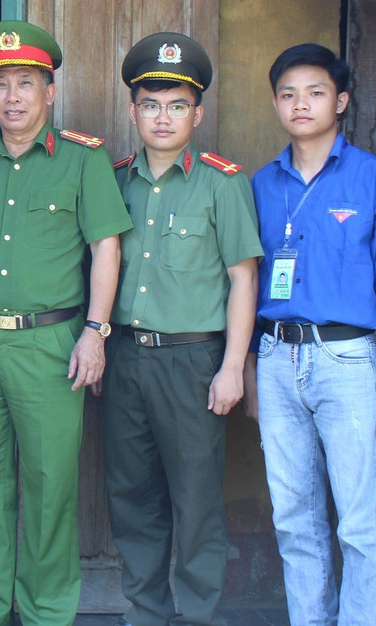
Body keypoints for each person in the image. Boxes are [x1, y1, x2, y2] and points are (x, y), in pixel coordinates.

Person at [0, 21, 131, 626]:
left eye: (27, 84)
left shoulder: (84, 162)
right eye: (2, 85)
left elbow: (107, 249)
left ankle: (44, 613)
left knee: (48, 488)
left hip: (51, 343)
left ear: (50, 92)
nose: (14, 96)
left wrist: (96, 331)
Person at [245, 43, 376, 626]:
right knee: (295, 519)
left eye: (315, 92)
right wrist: (247, 366)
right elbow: (247, 283)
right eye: (288, 93)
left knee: (361, 521)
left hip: (348, 362)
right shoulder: (261, 185)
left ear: (340, 102)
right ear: (275, 103)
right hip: (275, 357)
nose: (301, 103)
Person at [103, 34, 262, 626]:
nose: (162, 116)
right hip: (126, 359)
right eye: (150, 103)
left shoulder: (222, 182)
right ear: (132, 111)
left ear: (197, 113)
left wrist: (231, 367)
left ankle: (195, 616)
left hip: (194, 363)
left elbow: (243, 280)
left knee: (195, 502)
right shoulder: (115, 179)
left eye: (175, 105)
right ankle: (145, 613)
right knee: (132, 496)